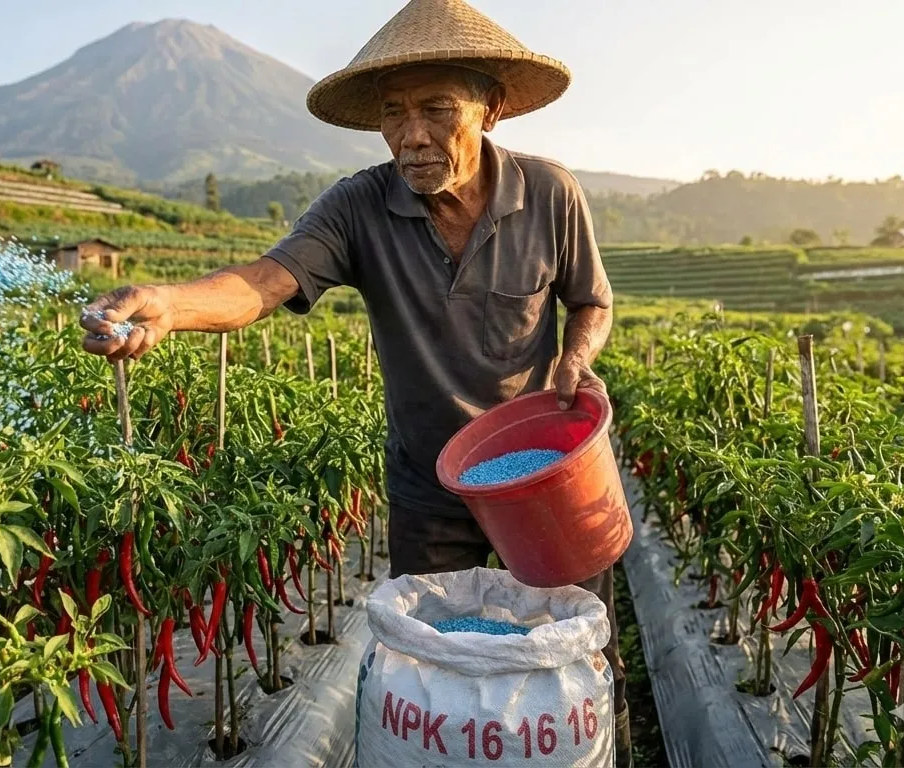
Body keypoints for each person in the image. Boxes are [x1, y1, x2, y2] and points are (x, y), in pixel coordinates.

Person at [79, 0, 629, 764]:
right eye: (393, 112)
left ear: (492, 108)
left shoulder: (550, 194)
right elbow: (266, 281)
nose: (412, 134)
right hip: (429, 487)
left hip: (543, 483)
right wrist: (172, 305)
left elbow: (591, 301)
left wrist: (576, 354)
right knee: (438, 672)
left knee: (574, 658)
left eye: (437, 108)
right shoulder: (358, 207)